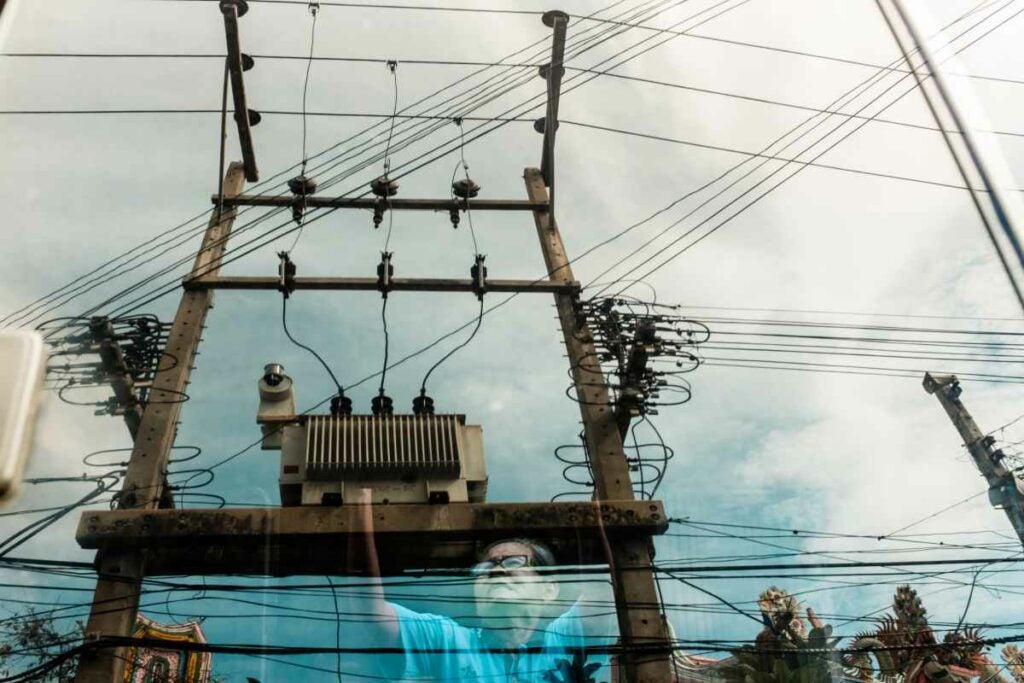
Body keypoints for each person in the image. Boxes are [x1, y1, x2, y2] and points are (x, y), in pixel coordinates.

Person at [344, 492, 611, 682]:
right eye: (485, 568)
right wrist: (359, 507)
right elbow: (372, 612)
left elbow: (605, 591)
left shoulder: (561, 640)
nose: (497, 570)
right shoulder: (450, 640)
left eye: (514, 562)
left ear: (549, 589)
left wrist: (602, 517)